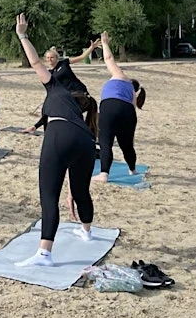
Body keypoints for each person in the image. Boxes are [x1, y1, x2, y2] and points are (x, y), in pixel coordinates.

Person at [12, 13, 96, 268]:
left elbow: (35, 61)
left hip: (60, 135)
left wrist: (23, 35)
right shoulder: (80, 113)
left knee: (49, 196)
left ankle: (44, 253)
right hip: (85, 143)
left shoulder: (55, 87)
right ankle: (87, 231)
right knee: (81, 192)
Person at [91, 32, 146, 183]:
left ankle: (104, 174)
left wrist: (105, 43)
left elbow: (108, 59)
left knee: (105, 142)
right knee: (127, 145)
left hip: (110, 106)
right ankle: (133, 169)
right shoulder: (133, 95)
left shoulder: (120, 76)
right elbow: (131, 113)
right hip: (128, 112)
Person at [22, 40, 101, 136]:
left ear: (56, 58)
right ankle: (35, 126)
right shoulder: (49, 74)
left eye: (52, 57)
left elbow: (81, 57)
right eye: (47, 58)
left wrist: (91, 48)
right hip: (67, 98)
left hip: (79, 93)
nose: (50, 59)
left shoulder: (64, 63)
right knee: (50, 107)